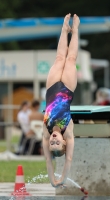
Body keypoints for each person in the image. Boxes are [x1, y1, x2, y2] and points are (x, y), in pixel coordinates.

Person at [43, 14, 80, 188]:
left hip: (51, 88)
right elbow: (69, 159)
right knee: (71, 59)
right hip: (66, 88)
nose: (54, 140)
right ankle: (76, 29)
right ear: (64, 143)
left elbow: (48, 162)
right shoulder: (68, 132)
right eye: (58, 143)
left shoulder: (46, 131)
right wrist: (62, 179)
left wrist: (52, 180)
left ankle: (65, 29)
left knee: (59, 58)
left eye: (52, 144)